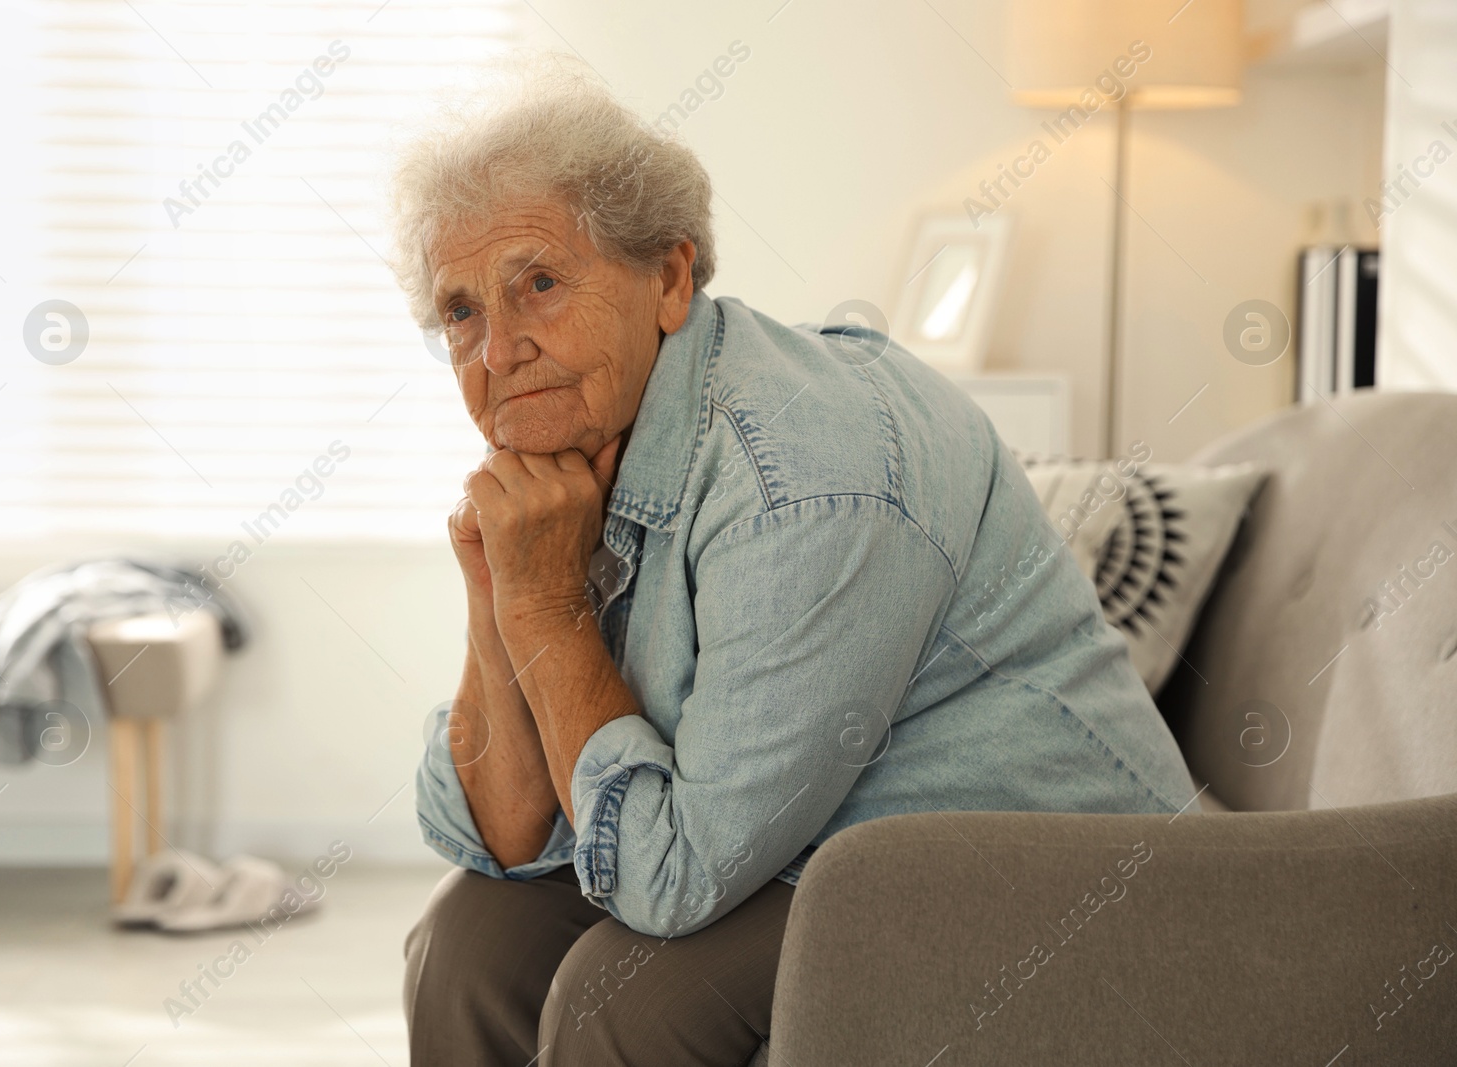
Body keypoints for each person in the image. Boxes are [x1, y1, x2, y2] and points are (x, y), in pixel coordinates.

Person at [389, 57, 1199, 1067]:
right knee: (471, 938)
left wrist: (548, 603)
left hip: (1067, 883)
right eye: (460, 312)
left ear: (670, 279)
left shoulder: (801, 474)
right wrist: (499, 579)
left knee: (628, 996)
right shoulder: (584, 453)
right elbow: (496, 836)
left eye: (539, 283)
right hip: (822, 851)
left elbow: (671, 877)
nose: (498, 349)